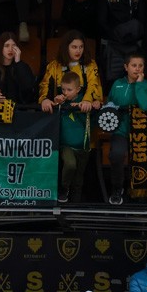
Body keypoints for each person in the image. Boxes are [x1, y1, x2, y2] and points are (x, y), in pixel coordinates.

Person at [104, 52, 147, 205]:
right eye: (133, 65)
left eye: (140, 66)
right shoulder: (117, 83)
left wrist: (138, 84)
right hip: (120, 130)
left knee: (141, 160)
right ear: (126, 67)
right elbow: (109, 104)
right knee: (117, 155)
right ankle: (117, 188)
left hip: (140, 132)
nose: (137, 69)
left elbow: (144, 105)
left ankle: (139, 195)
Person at [97, 0, 146, 83]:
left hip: (132, 45)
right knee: (114, 81)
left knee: (134, 80)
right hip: (113, 44)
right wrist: (117, 34)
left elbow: (142, 20)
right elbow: (102, 21)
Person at [51, 72, 93, 204]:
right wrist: (55, 103)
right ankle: (64, 189)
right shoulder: (61, 102)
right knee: (70, 164)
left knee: (78, 180)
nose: (65, 93)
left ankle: (76, 208)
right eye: (63, 89)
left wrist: (86, 106)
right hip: (66, 145)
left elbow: (93, 117)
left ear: (78, 89)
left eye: (69, 90)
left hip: (83, 147)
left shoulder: (85, 101)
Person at [39, 30, 102, 113]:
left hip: (83, 112)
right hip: (60, 112)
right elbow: (45, 85)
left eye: (81, 47)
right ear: (66, 48)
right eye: (74, 47)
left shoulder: (91, 65)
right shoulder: (54, 66)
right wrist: (45, 99)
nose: (78, 51)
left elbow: (93, 85)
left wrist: (87, 100)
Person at [0, 31, 35, 105]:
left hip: (19, 108)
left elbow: (29, 88)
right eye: (7, 46)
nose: (10, 49)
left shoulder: (22, 66)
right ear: (1, 47)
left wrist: (18, 63)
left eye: (14, 46)